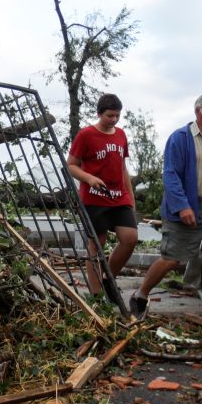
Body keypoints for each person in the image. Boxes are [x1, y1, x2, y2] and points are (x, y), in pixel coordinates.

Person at [128, 93, 202, 329]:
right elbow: (170, 175)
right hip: (188, 208)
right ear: (198, 112)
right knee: (172, 259)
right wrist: (183, 205)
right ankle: (140, 295)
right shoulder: (181, 138)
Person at [67, 94, 139, 300]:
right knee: (96, 245)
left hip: (119, 198)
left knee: (130, 238)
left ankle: (108, 279)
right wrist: (88, 178)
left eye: (117, 116)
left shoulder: (121, 135)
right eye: (110, 116)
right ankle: (96, 295)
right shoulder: (86, 135)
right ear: (99, 113)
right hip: (94, 199)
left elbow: (123, 167)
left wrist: (130, 198)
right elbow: (71, 165)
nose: (114, 120)